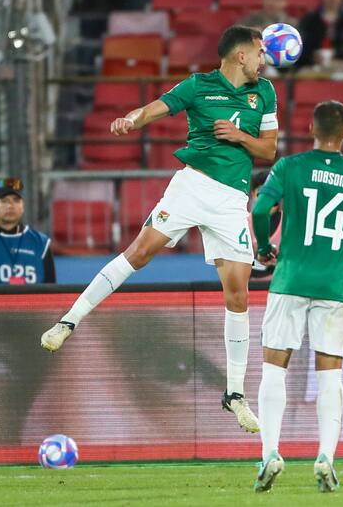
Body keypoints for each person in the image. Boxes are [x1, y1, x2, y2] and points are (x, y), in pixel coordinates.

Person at [40, 26, 278, 434]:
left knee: (238, 294)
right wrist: (131, 120)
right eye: (260, 53)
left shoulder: (266, 94)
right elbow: (157, 107)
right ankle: (69, 321)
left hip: (231, 201)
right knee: (140, 253)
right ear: (241, 55)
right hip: (192, 186)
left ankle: (234, 394)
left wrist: (240, 135)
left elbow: (269, 149)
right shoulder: (198, 86)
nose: (265, 60)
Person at [251, 100, 343, 493]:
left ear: (310, 126)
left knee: (274, 369)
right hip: (333, 286)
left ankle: (270, 453)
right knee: (330, 375)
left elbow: (261, 209)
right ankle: (326, 455)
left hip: (289, 280)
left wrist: (263, 246)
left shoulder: (289, 167)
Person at [0, 178, 55, 285]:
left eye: (16, 200)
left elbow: (51, 290)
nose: (10, 206)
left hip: (30, 302)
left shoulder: (41, 243)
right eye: (4, 201)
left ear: (23, 206)